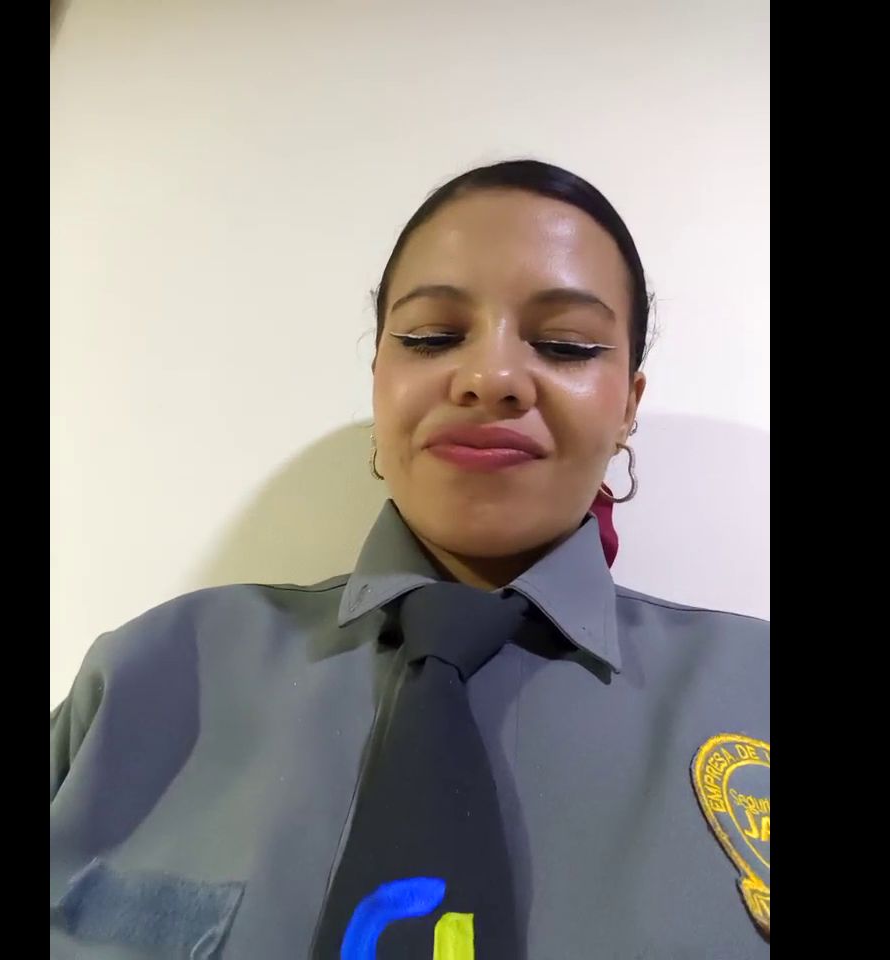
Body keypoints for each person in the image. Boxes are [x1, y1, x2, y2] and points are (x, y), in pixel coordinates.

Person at [50, 159, 769, 959]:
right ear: (379, 381)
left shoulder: (757, 689)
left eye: (564, 345)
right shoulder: (140, 678)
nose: (491, 377)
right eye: (432, 337)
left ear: (629, 405)